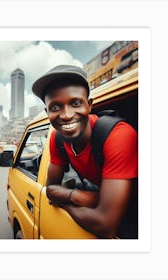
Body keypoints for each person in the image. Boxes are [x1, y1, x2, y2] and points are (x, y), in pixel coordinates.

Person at [32, 65, 138, 239]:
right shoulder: (57, 139)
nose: (66, 115)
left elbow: (105, 225)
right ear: (47, 112)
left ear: (89, 105)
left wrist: (66, 203)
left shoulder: (119, 135)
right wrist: (82, 196)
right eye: (55, 107)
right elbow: (50, 189)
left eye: (75, 103)